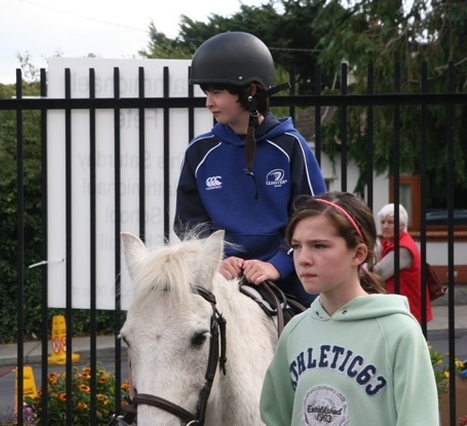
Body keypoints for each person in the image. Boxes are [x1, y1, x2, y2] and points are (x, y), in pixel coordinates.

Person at [173, 31, 327, 307]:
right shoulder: (199, 151)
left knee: (326, 320)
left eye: (217, 92)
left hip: (289, 274)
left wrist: (278, 264)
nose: (209, 102)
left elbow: (314, 216)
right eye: (207, 93)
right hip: (221, 275)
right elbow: (188, 224)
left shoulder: (291, 145)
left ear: (250, 91)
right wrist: (216, 260)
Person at [260, 191, 439, 425]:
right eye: (297, 246)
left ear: (358, 253)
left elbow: (419, 419)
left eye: (319, 246)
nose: (303, 258)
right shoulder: (295, 329)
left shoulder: (398, 331)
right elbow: (276, 416)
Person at [373, 203, 432, 324]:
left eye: (390, 222)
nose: (385, 226)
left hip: (407, 310)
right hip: (399, 307)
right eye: (382, 222)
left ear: (402, 225)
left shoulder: (403, 247)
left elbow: (379, 273)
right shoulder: (389, 242)